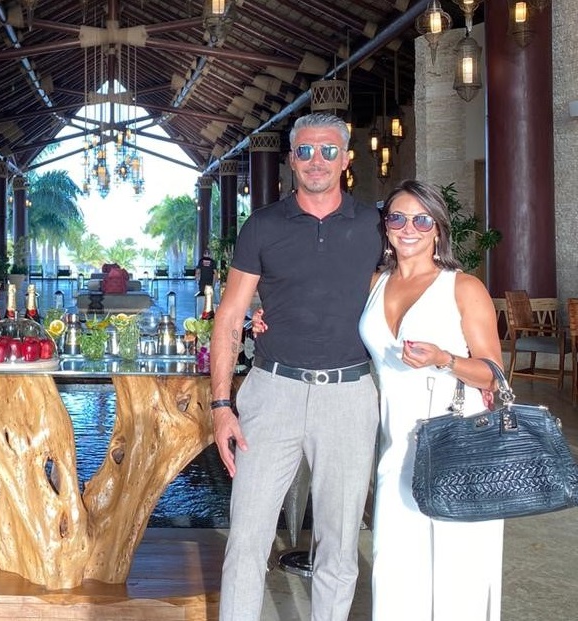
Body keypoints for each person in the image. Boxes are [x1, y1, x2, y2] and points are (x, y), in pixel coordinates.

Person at [210, 112, 382, 621]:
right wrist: (221, 406)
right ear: (291, 159)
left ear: (346, 159)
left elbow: (407, 291)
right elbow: (229, 317)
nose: (316, 160)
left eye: (328, 150)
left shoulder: (375, 226)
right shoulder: (263, 225)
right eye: (305, 150)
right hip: (272, 392)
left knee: (340, 546)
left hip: (349, 395)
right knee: (246, 540)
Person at [359, 180, 503, 620]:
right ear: (386, 227)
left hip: (457, 441)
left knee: (459, 571)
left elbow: (494, 374)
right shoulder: (374, 283)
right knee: (395, 567)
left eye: (422, 220)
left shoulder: (463, 287)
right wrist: (265, 321)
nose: (409, 228)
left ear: (438, 229)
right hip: (397, 445)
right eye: (398, 218)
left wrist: (444, 359)